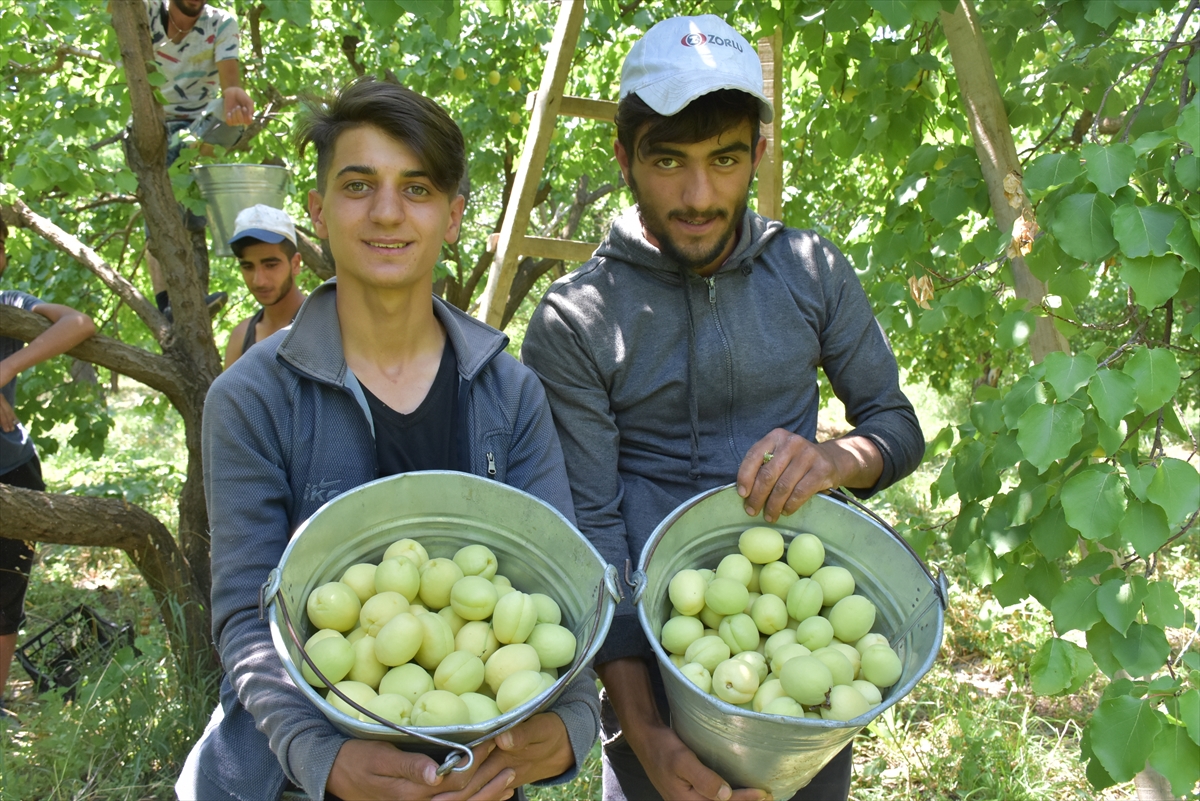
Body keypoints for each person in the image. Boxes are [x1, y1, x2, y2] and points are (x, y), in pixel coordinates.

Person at [521, 15, 925, 801]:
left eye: (726, 159)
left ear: (758, 155)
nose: (699, 195)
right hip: (652, 667)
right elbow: (592, 535)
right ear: (624, 155)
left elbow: (896, 423)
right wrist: (649, 736)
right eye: (668, 161)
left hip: (800, 647)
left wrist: (839, 456)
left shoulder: (809, 272)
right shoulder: (576, 318)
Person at [175, 77, 599, 801]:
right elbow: (247, 619)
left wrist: (573, 722)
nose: (387, 212)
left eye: (418, 188)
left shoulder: (510, 392)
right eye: (358, 184)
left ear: (454, 215)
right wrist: (323, 757)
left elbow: (563, 588)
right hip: (291, 777)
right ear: (316, 210)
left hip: (473, 771)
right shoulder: (251, 398)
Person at [0, 218, 97, 721]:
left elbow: (79, 324)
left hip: (12, 469)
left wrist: (6, 369)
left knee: (8, 581)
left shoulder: (10, 303)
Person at [141, 0, 257, 320]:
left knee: (219, 118)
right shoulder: (144, 10)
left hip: (198, 128)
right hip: (153, 127)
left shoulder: (221, 23)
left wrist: (235, 95)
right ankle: (167, 303)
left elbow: (230, 84)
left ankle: (189, 178)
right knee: (165, 204)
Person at [222, 204, 307, 369]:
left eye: (271, 265)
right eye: (248, 267)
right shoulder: (241, 337)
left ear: (295, 264)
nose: (258, 281)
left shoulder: (328, 325)